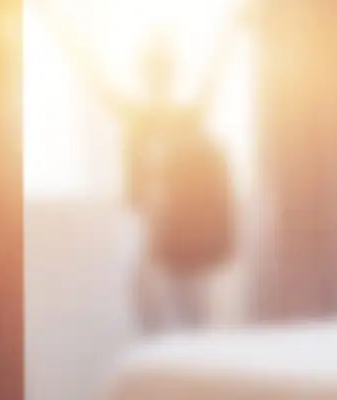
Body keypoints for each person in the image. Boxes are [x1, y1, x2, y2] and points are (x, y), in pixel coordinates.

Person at [41, 10, 237, 333]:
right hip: (153, 232)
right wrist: (59, 27)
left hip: (179, 237)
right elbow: (91, 74)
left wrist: (230, 30)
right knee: (156, 311)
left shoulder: (180, 116)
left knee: (191, 316)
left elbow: (215, 75)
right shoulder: (142, 116)